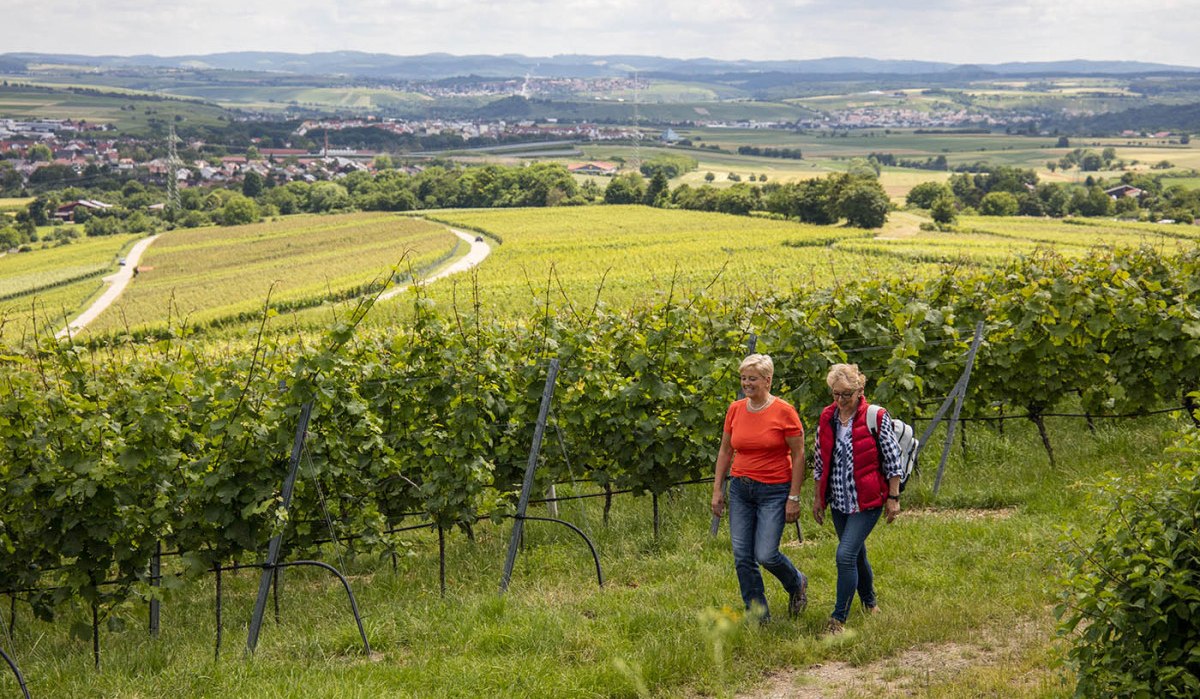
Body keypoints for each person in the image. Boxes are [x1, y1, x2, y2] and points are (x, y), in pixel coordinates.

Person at [711, 353, 808, 621]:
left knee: (765, 554)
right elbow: (725, 450)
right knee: (743, 556)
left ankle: (796, 582)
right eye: (743, 378)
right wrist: (718, 490)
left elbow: (799, 455)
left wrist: (794, 496)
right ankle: (758, 614)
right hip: (741, 488)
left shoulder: (784, 412)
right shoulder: (735, 409)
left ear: (768, 380)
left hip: (774, 489)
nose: (746, 383)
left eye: (752, 378)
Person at [812, 363, 903, 635]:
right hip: (839, 500)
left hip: (868, 500)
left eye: (846, 394)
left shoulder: (875, 416)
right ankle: (870, 603)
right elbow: (820, 460)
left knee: (845, 555)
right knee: (857, 553)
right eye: (835, 394)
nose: (840, 400)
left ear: (860, 390)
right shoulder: (827, 418)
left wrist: (894, 498)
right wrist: (818, 499)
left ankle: (838, 618)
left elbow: (892, 459)